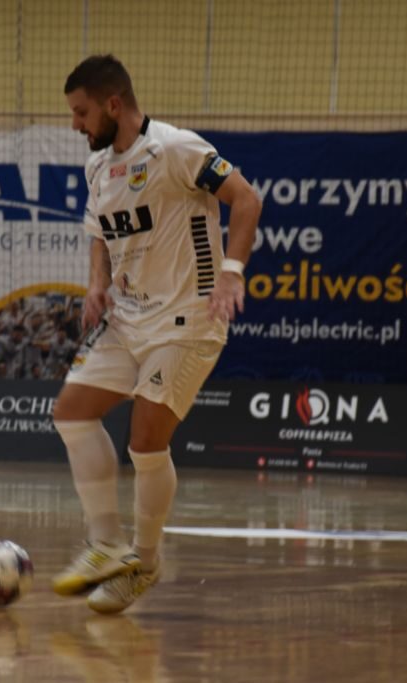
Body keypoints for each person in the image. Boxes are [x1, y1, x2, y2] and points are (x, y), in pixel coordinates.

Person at [51, 55, 261, 614]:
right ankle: (105, 545)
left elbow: (247, 199)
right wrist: (97, 284)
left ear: (112, 104)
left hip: (189, 319)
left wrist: (232, 273)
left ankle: (143, 562)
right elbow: (100, 233)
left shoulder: (175, 148)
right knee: (71, 413)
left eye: (81, 112)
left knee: (145, 440)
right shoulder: (98, 167)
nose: (75, 124)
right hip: (127, 318)